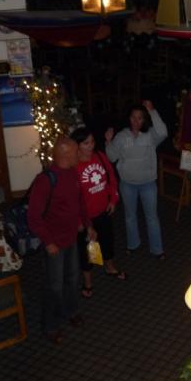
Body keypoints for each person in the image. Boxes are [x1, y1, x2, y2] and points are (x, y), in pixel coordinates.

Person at [27, 137, 96, 344]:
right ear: (65, 155)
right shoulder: (45, 181)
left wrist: (88, 224)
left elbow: (80, 202)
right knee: (54, 286)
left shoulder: (72, 172)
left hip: (71, 239)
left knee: (72, 279)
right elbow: (34, 217)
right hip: (54, 245)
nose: (79, 154)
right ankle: (50, 326)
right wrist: (48, 242)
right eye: (76, 152)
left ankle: (71, 311)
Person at [105, 100, 167, 259]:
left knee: (152, 218)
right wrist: (108, 141)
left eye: (140, 118)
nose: (136, 121)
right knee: (130, 217)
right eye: (133, 117)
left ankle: (157, 249)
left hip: (148, 183)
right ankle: (133, 244)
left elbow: (163, 132)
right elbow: (111, 157)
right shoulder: (121, 136)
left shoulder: (150, 135)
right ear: (129, 118)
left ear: (144, 119)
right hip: (127, 184)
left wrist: (152, 111)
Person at [70, 127, 126, 298]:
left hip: (103, 212)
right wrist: (80, 222)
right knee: (87, 250)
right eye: (86, 143)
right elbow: (71, 199)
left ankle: (109, 267)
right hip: (85, 218)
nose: (91, 146)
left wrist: (113, 200)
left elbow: (111, 179)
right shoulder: (73, 167)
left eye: (92, 142)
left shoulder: (100, 156)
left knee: (107, 241)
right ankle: (88, 282)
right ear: (77, 146)